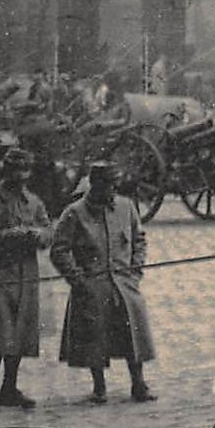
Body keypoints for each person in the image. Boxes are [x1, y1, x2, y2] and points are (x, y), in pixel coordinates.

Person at [50, 162, 158, 404]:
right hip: (92, 282)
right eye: (108, 185)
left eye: (115, 185)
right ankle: (99, 387)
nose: (113, 190)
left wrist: (135, 270)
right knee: (93, 336)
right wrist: (78, 279)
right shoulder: (75, 212)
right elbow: (59, 250)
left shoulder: (126, 207)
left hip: (124, 280)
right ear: (95, 185)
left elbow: (139, 239)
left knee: (134, 330)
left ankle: (139, 383)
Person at [0, 148, 52, 416]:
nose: (21, 177)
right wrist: (10, 236)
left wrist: (39, 235)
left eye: (25, 172)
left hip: (26, 277)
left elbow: (49, 230)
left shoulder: (34, 202)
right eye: (16, 172)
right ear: (6, 172)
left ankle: (9, 388)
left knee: (19, 335)